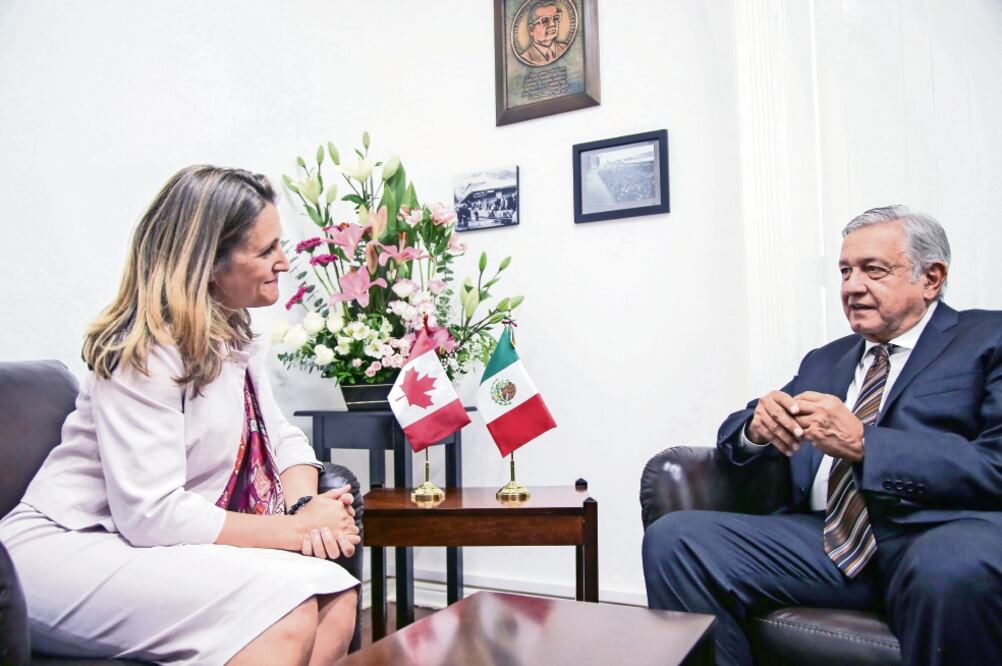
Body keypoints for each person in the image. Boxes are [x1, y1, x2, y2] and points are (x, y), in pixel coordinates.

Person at [0, 166, 361, 664]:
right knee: (289, 608)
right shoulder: (143, 353)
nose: (284, 261)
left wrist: (305, 512)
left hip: (142, 540)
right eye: (265, 250)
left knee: (337, 596)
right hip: (66, 545)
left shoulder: (233, 337)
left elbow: (284, 441)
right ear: (208, 264)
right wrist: (294, 532)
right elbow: (152, 513)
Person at [642, 205, 1002, 666]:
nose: (852, 286)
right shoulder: (826, 360)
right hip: (825, 540)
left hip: (937, 532)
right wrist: (756, 429)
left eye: (873, 270)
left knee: (951, 569)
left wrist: (867, 445)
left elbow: (994, 463)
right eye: (845, 271)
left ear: (930, 278)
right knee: (677, 538)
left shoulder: (985, 339)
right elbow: (740, 432)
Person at [519, 1, 570, 66]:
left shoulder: (565, 48)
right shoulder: (525, 58)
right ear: (531, 29)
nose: (552, 24)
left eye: (555, 17)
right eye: (545, 20)